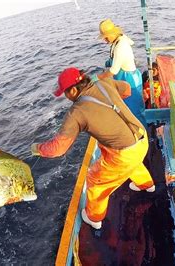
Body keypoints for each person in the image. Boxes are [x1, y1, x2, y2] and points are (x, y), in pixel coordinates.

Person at [31, 67, 155, 230]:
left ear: (74, 90)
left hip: (124, 154)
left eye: (65, 93)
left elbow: (58, 149)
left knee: (96, 181)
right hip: (141, 139)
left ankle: (94, 218)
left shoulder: (76, 112)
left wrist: (37, 148)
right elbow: (126, 89)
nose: (66, 97)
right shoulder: (105, 83)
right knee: (131, 161)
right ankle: (147, 185)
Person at [94, 19, 146, 127]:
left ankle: (143, 134)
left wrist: (96, 78)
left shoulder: (121, 46)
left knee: (135, 110)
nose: (105, 40)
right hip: (123, 79)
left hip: (130, 81)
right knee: (126, 108)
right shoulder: (117, 40)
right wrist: (110, 62)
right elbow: (115, 60)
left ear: (113, 33)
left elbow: (113, 71)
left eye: (106, 37)